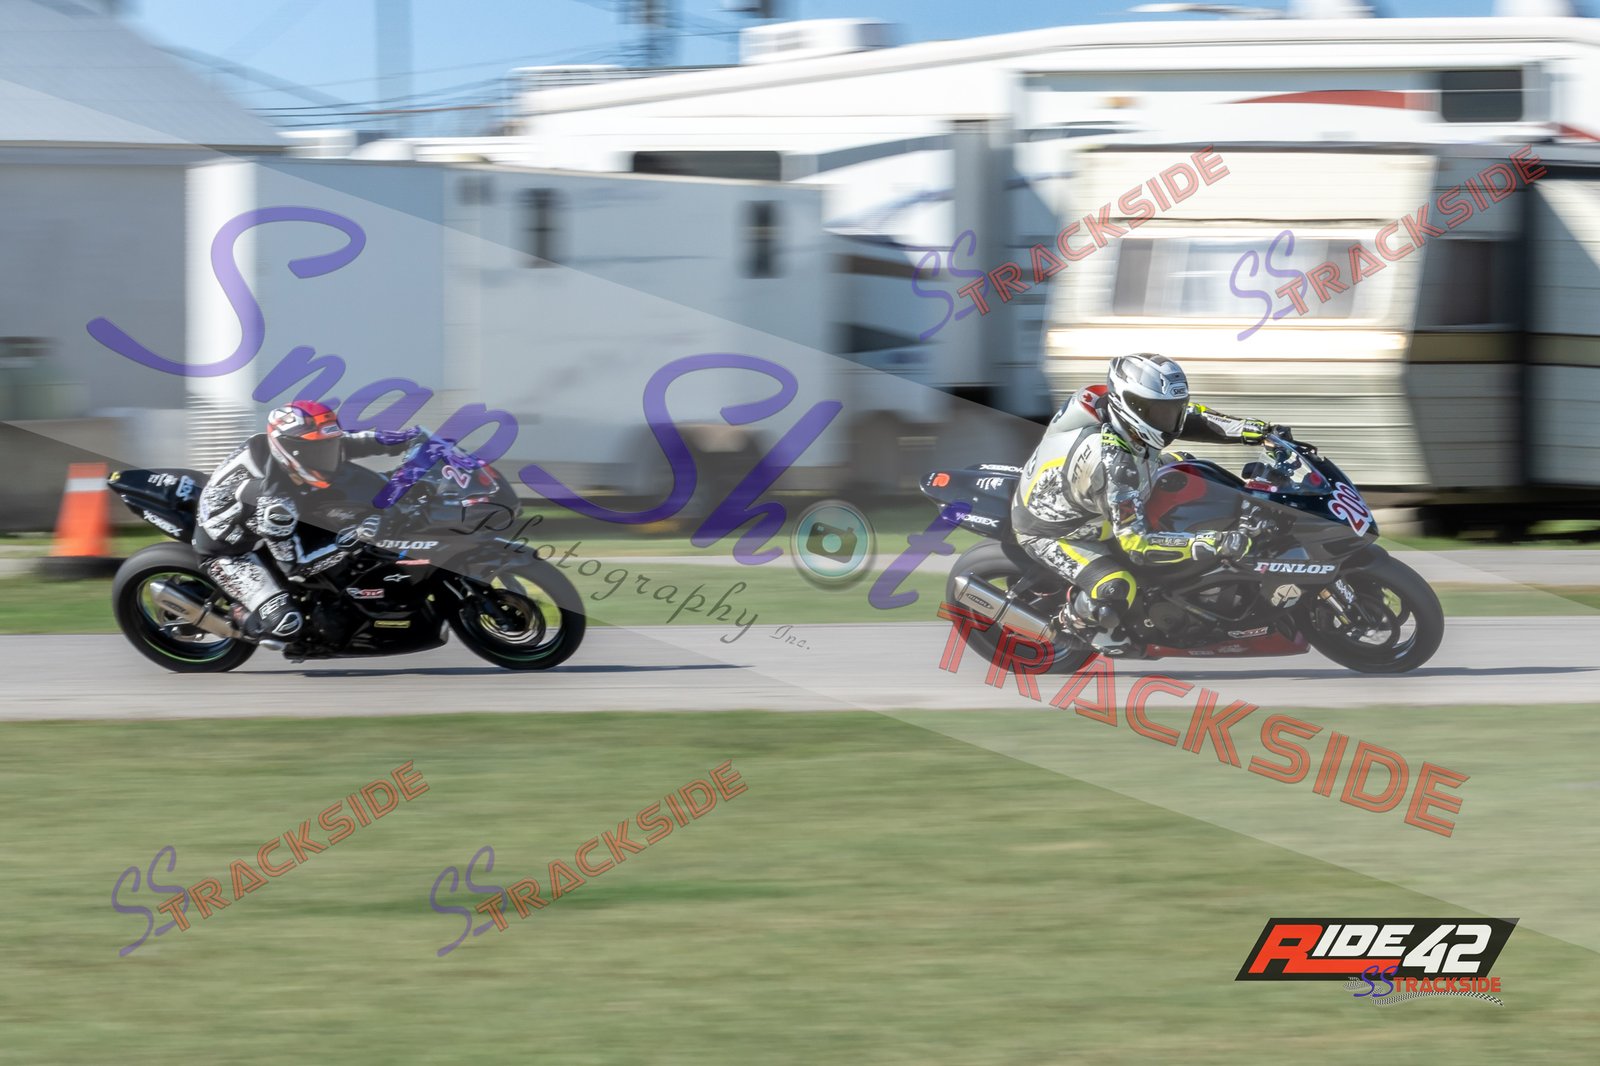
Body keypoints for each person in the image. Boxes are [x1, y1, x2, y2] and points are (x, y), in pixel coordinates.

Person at [1011, 353, 1286, 649]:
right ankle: (1065, 626)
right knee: (1116, 587)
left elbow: (1189, 417)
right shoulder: (1114, 467)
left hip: (1092, 494)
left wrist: (1257, 431)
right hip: (1058, 531)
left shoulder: (1114, 406)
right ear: (1130, 405)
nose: (1169, 421)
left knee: (1194, 475)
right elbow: (1137, 545)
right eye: (1158, 412)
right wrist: (1217, 542)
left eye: (1172, 409)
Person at [193, 400, 425, 642]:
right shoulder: (276, 505)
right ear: (290, 451)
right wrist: (356, 536)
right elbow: (296, 567)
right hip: (231, 552)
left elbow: (350, 441)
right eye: (317, 451)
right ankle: (238, 615)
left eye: (327, 447)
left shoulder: (300, 449)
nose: (327, 457)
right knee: (286, 625)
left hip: (263, 517)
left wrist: (408, 438)